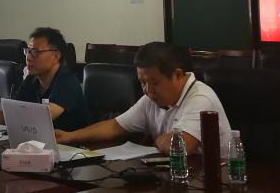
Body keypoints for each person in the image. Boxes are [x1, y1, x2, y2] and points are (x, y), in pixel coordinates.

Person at [55, 41, 230, 154]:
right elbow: (116, 126)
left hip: (214, 180)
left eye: (154, 83)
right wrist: (70, 136)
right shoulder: (152, 98)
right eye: (142, 82)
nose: (147, 90)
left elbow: (180, 146)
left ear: (177, 75)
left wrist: (158, 140)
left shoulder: (200, 98)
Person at [0, 27, 90, 132]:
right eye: (27, 51)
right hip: (41, 143)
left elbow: (43, 117)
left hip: (73, 147)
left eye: (35, 52)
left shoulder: (67, 81)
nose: (28, 58)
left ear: (55, 56)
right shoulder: (31, 79)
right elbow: (12, 113)